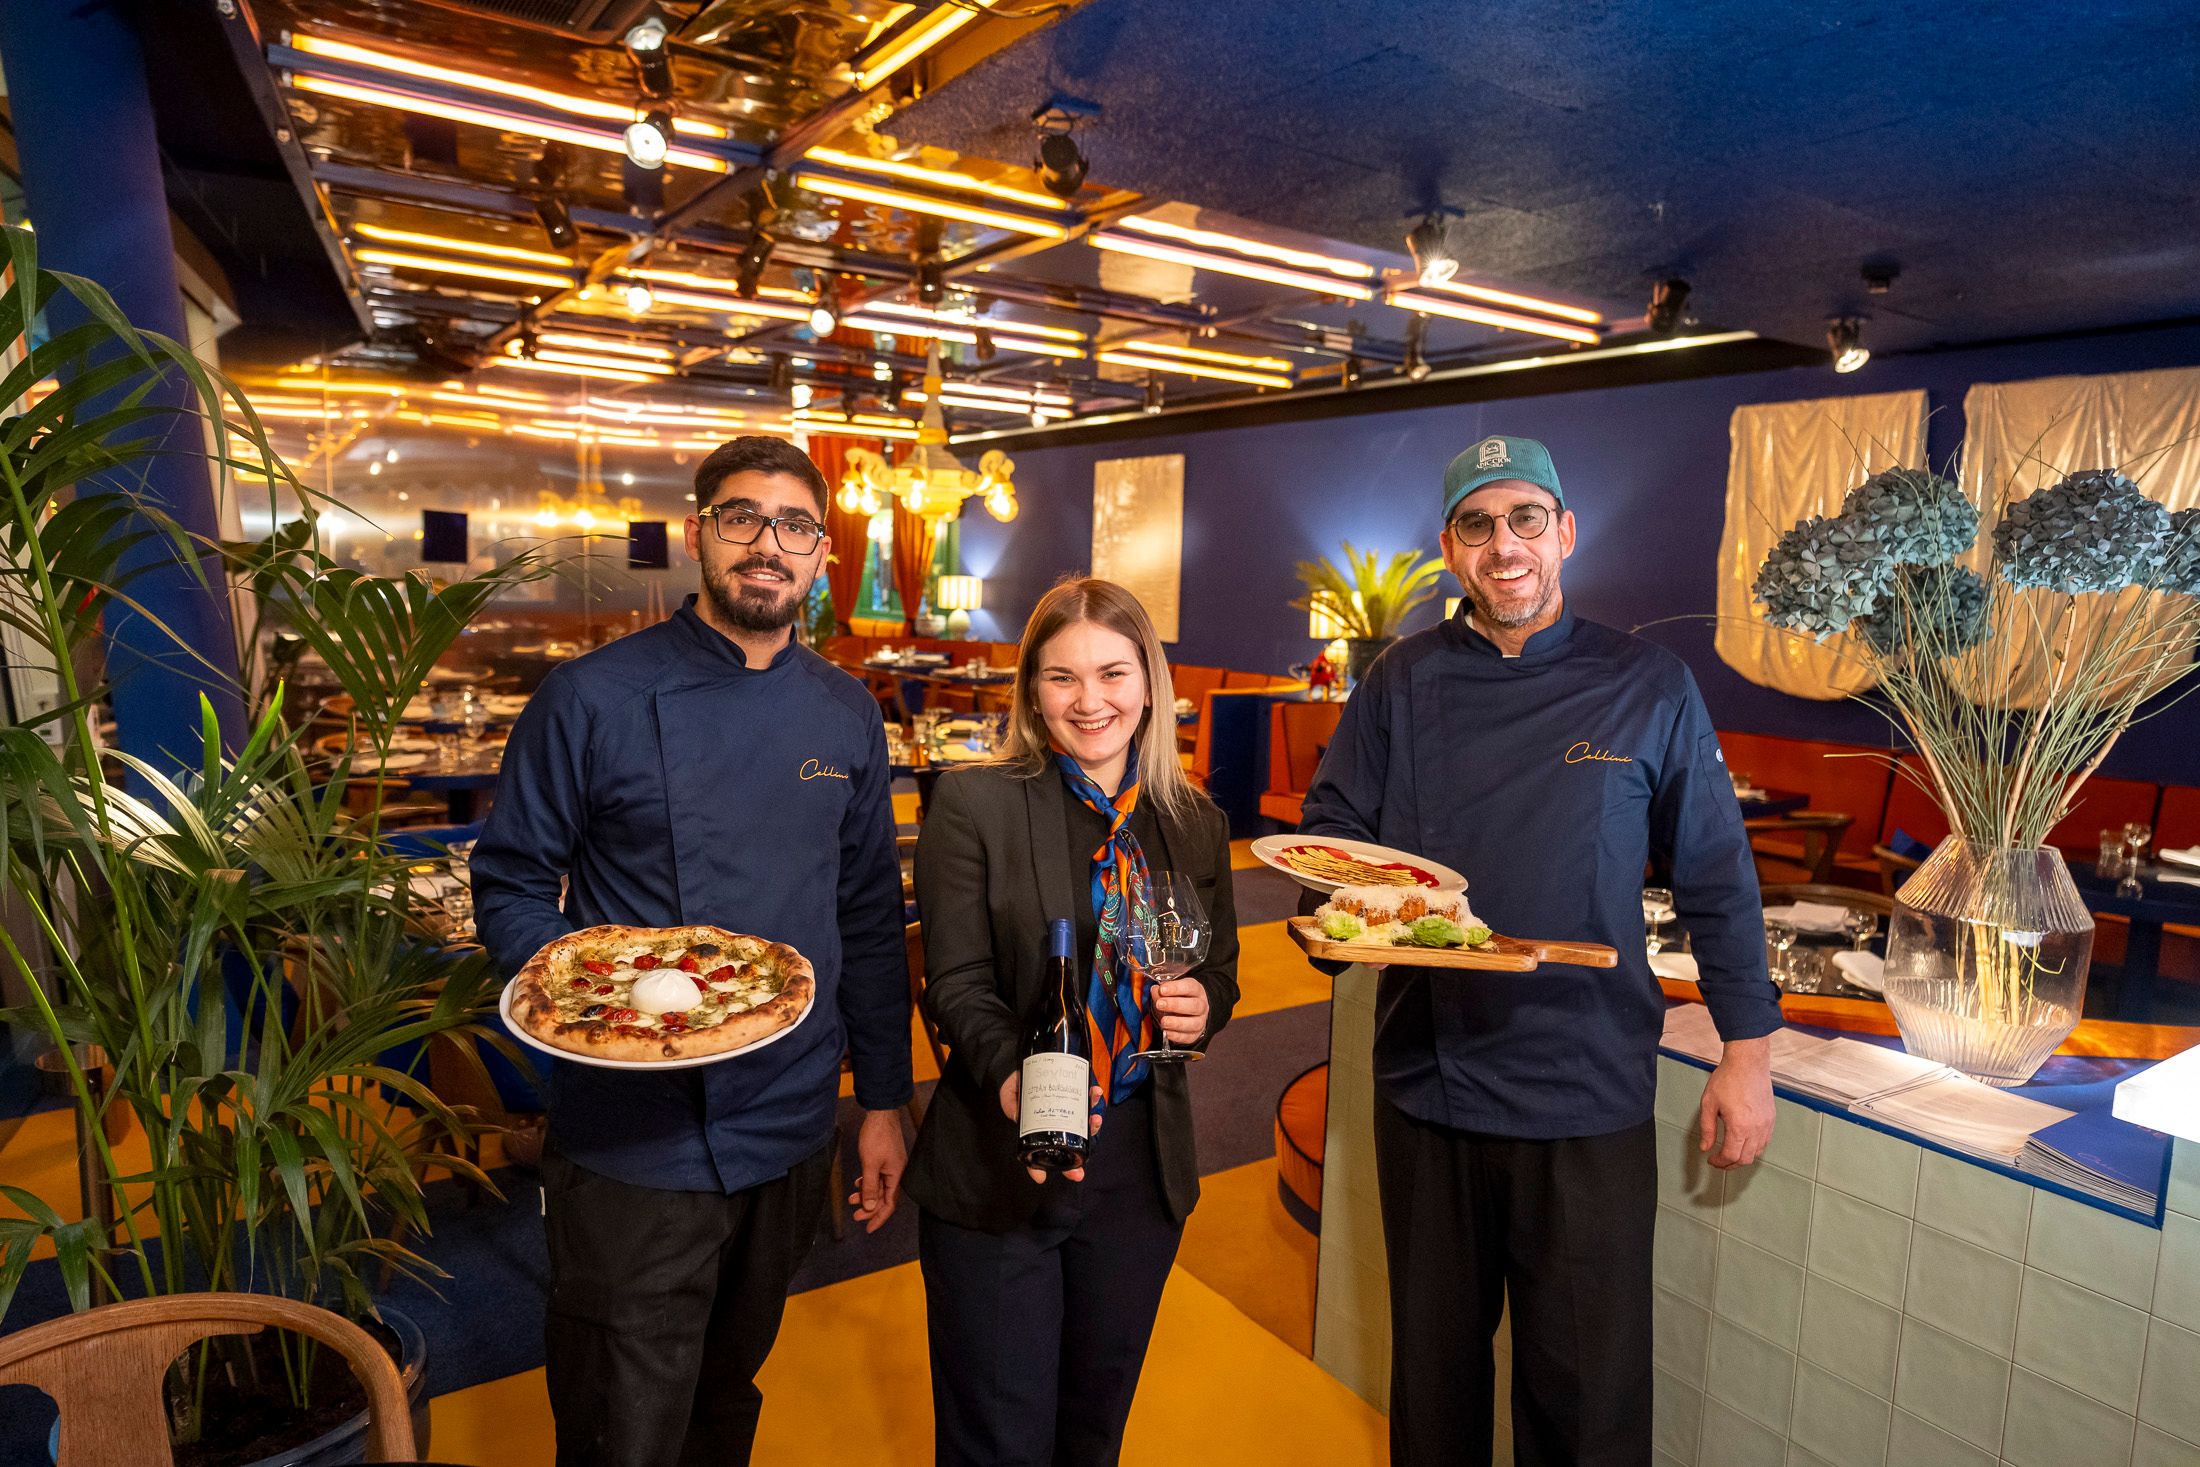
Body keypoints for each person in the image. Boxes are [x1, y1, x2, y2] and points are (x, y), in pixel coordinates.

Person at [1298, 435, 1780, 1466]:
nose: (1502, 546)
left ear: (1563, 533)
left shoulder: (1648, 683)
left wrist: (1748, 1051)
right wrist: (1344, 920)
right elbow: (1334, 833)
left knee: (1587, 1396)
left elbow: (1715, 875)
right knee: (1433, 1386)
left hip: (1587, 1087)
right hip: (1431, 1084)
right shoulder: (1400, 680)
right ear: (1448, 549)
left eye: (1525, 519)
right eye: (1476, 525)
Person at [472, 435, 913, 1467]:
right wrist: (598, 993)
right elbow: (512, 882)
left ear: (821, 556)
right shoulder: (589, 697)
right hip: (634, 1135)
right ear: (697, 535)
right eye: (742, 518)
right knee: (619, 1421)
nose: (770, 544)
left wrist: (884, 1101)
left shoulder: (847, 712)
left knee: (727, 1394)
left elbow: (866, 918)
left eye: (796, 525)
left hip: (794, 1121)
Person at [907, 577, 1240, 1466]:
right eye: (1061, 678)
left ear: (1150, 682)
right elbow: (959, 982)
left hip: (1137, 1165)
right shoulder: (973, 806)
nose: (1090, 701)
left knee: (1094, 1431)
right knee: (997, 1441)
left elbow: (1221, 976)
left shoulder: (1194, 821)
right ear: (1030, 689)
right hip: (999, 1157)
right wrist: (1008, 1070)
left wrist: (1203, 1006)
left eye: (1112, 672)